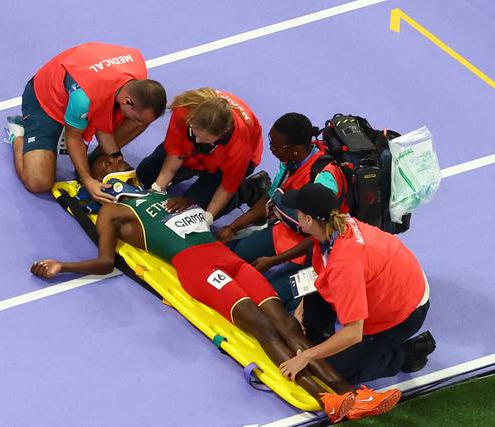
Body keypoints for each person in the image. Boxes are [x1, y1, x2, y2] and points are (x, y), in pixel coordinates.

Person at [31, 155, 401, 423]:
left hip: (224, 256)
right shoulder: (113, 211)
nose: (114, 163)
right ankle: (327, 399)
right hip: (198, 269)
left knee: (288, 325)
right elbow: (106, 261)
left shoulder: (161, 195)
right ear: (96, 177)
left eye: (115, 159)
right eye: (107, 163)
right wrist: (64, 266)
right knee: (263, 326)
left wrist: (190, 204)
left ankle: (352, 395)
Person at [276, 183, 435, 384]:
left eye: (298, 212)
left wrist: (307, 356)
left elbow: (353, 333)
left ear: (308, 219)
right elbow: (319, 271)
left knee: (333, 371)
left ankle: (407, 354)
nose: (295, 215)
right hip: (395, 280)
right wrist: (302, 307)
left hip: (405, 311)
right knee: (311, 316)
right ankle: (322, 337)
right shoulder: (336, 227)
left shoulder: (344, 265)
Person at [215, 113, 347, 310]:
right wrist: (233, 228)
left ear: (295, 149)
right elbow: (271, 199)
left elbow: (321, 236)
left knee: (266, 301)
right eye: (271, 142)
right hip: (287, 231)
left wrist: (273, 261)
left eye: (275, 147)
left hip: (318, 252)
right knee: (227, 258)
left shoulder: (325, 180)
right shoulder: (291, 161)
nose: (271, 149)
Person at [6, 42, 167, 201]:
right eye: (136, 117)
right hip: (46, 101)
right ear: (127, 101)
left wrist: (115, 156)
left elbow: (104, 122)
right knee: (38, 183)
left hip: (90, 90)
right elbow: (73, 137)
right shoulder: (83, 99)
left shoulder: (138, 74)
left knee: (141, 119)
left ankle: (95, 160)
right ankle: (18, 132)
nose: (136, 123)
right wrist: (87, 180)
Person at [136, 88, 269, 223]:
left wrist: (208, 216)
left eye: (205, 140)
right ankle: (190, 170)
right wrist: (157, 188)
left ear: (222, 134)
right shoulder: (184, 111)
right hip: (196, 150)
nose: (198, 141)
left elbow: (226, 188)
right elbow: (174, 156)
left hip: (227, 163)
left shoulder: (240, 146)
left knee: (192, 214)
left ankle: (252, 188)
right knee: (144, 175)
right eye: (195, 135)